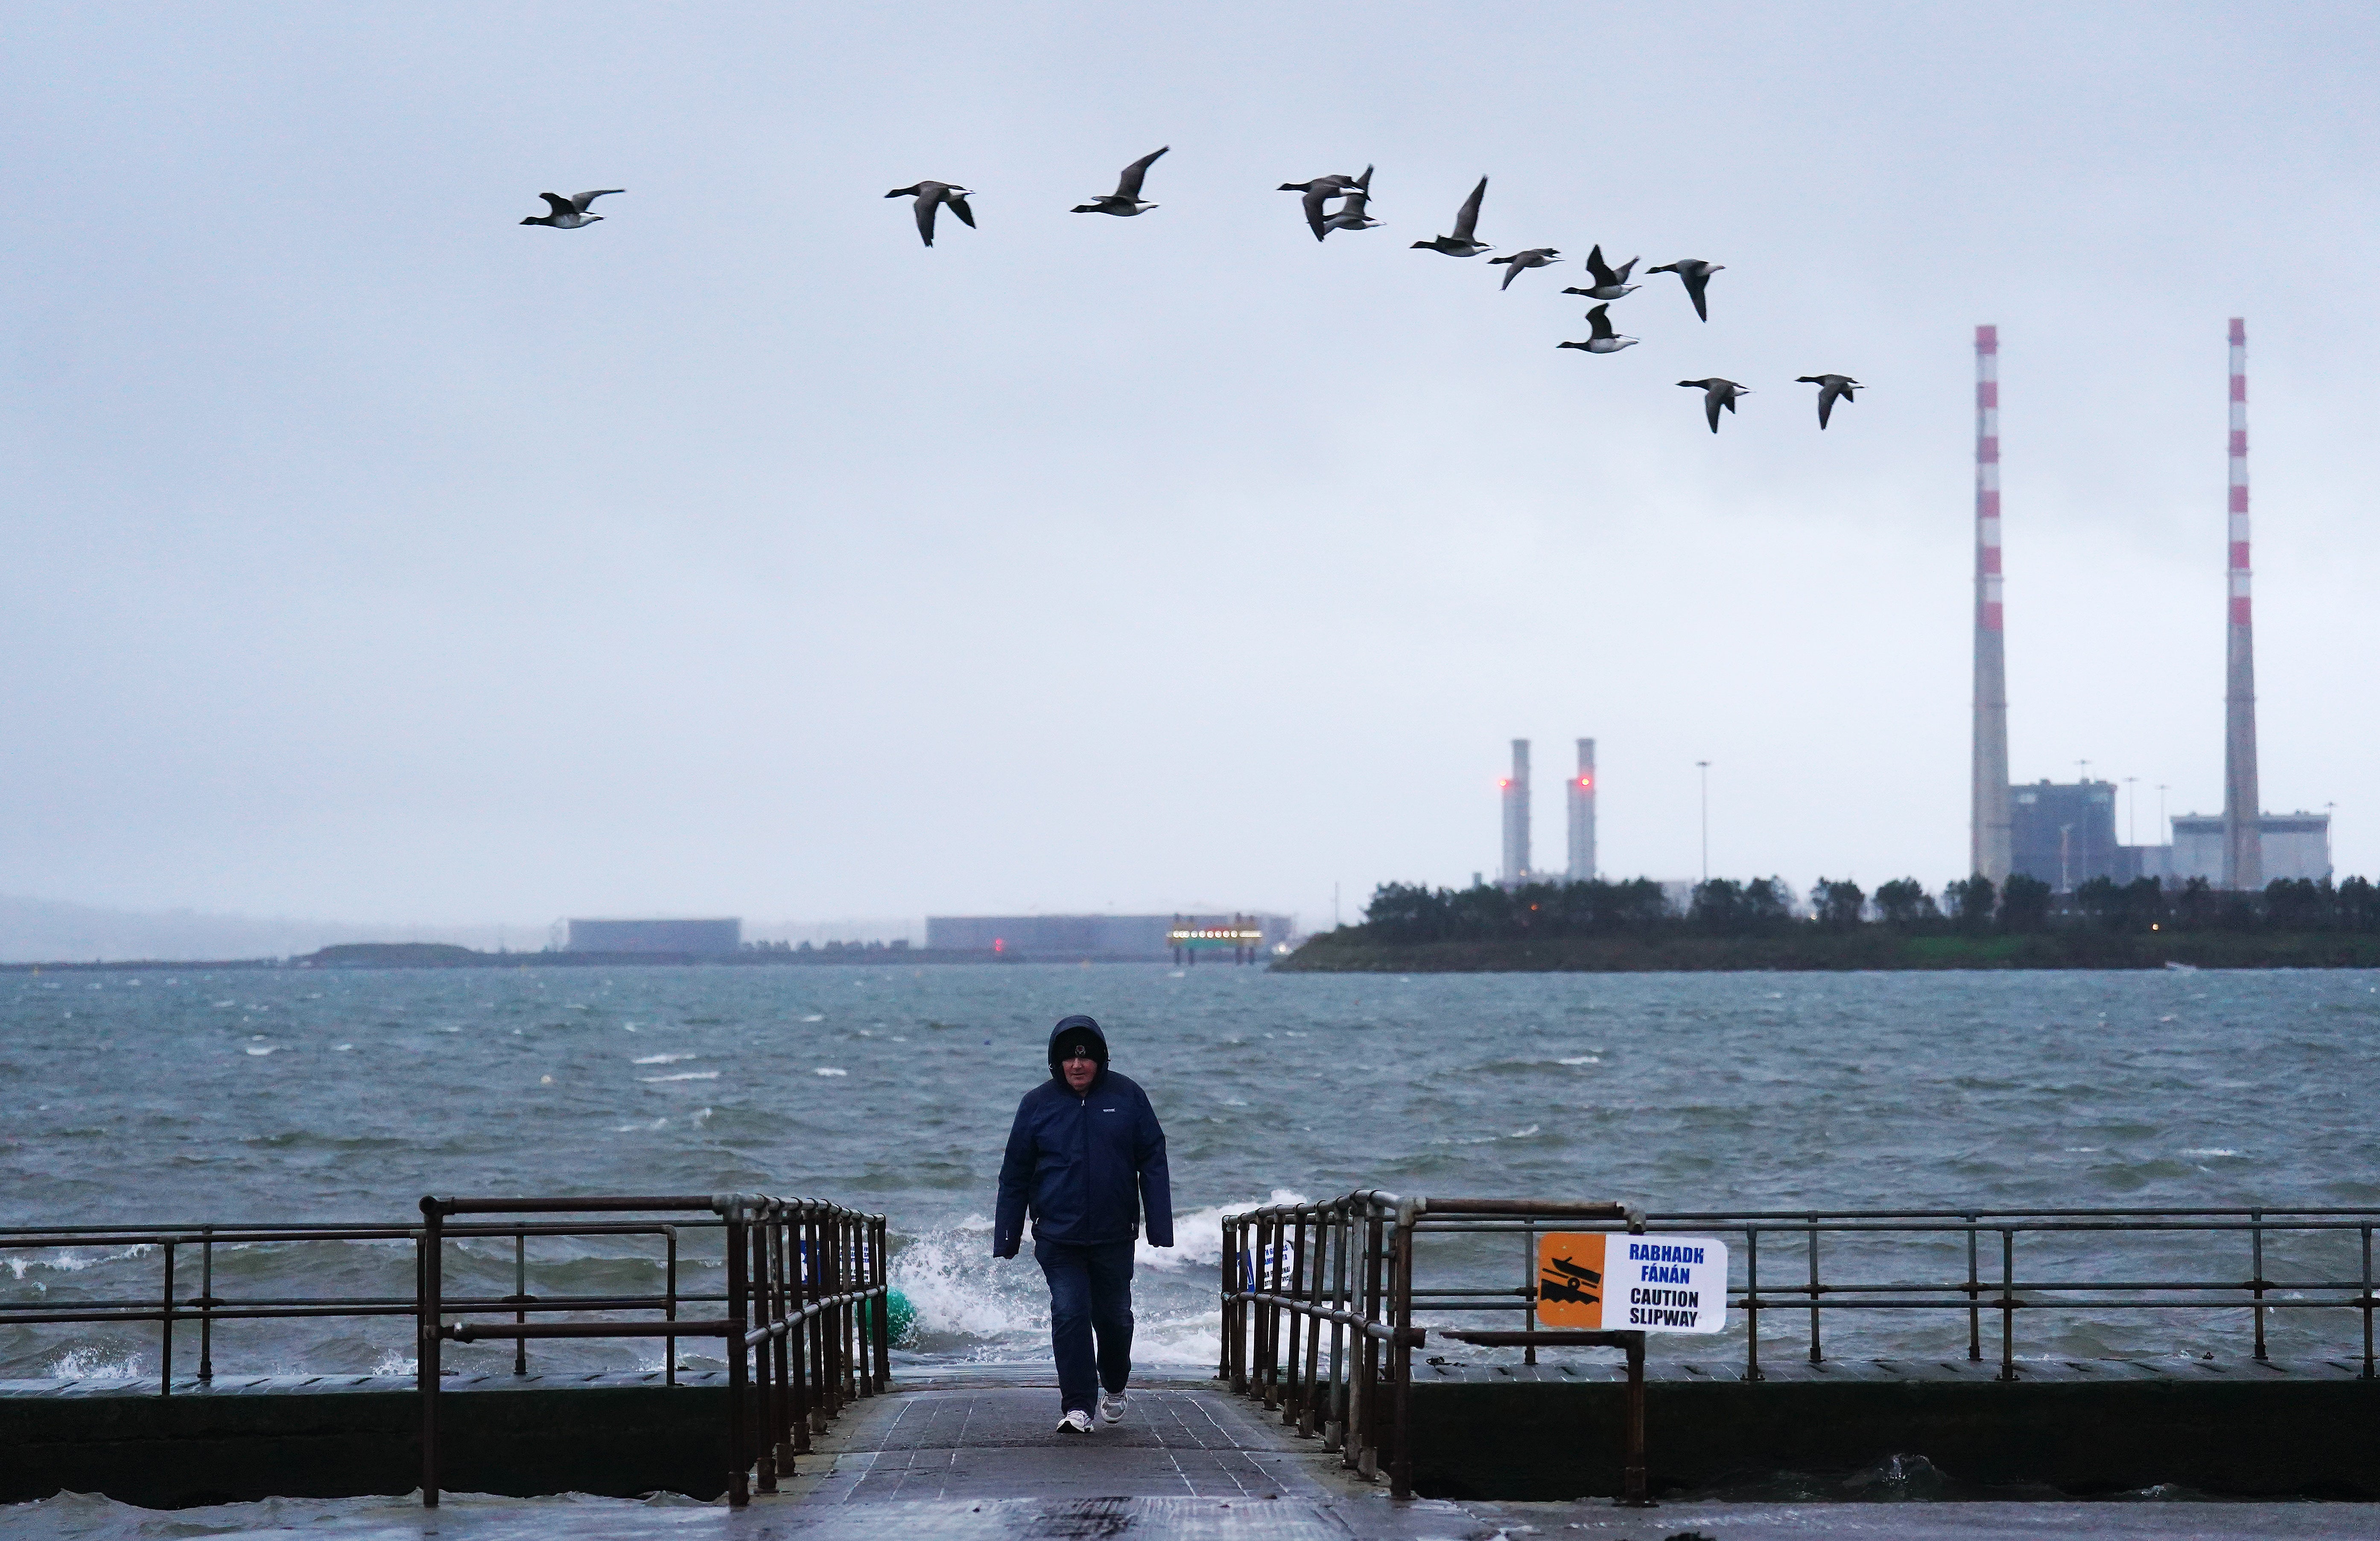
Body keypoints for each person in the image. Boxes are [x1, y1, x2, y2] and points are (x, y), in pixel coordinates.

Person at [994, 1014, 1172, 1434]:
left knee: (1115, 1319)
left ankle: (1113, 1384)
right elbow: (1015, 1173)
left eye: (1087, 1059)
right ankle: (1078, 1407)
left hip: (1114, 1234)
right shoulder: (1036, 1104)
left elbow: (1153, 1159)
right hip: (1058, 1236)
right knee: (1069, 1312)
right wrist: (1007, 1234)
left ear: (1100, 1060)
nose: (1078, 1066)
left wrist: (1159, 1226)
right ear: (1056, 1063)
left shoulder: (1128, 1096)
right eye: (1069, 1060)